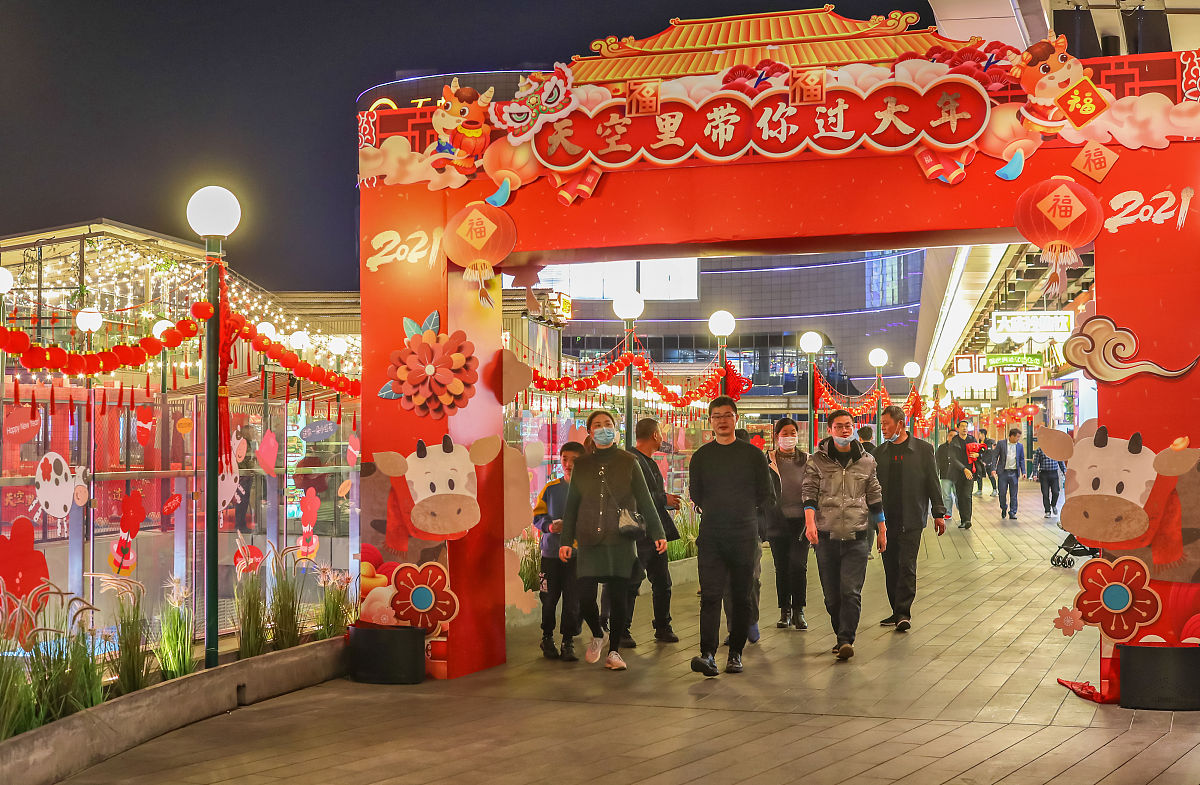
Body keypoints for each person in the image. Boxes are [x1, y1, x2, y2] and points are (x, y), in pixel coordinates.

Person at [559, 411, 667, 671]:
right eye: (597, 425)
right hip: (588, 539)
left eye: (608, 424)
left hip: (620, 540)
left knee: (619, 597)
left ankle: (615, 651)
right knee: (584, 596)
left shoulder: (629, 461)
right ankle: (599, 633)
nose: (603, 428)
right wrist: (566, 539)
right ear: (589, 432)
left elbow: (645, 500)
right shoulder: (582, 465)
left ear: (616, 428)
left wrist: (658, 533)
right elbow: (572, 505)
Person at [688, 396, 774, 677]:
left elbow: (766, 494)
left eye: (727, 415)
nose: (722, 420)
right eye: (716, 416)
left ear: (736, 418)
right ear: (710, 421)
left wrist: (746, 514)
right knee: (710, 595)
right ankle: (708, 653)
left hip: (743, 532)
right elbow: (696, 493)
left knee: (740, 595)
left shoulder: (751, 455)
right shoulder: (702, 456)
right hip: (712, 533)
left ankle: (735, 652)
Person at [803, 409, 885, 661]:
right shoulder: (816, 461)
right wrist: (810, 523)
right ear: (830, 430)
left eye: (848, 425)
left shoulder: (867, 461)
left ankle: (845, 639)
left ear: (854, 427)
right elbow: (808, 492)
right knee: (831, 595)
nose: (845, 430)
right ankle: (841, 632)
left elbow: (875, 496)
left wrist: (882, 529)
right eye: (839, 426)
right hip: (826, 535)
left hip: (858, 534)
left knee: (850, 590)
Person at [872, 406, 948, 633]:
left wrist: (938, 513)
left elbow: (932, 482)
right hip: (885, 521)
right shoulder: (879, 453)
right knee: (890, 567)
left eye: (886, 423)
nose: (883, 428)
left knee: (906, 566)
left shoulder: (923, 450)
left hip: (912, 517)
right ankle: (896, 610)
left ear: (901, 424)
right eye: (882, 424)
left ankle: (904, 612)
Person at [624, 418, 680, 643]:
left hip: (655, 531)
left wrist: (664, 500)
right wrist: (662, 498)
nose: (663, 438)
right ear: (655, 435)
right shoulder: (631, 461)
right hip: (638, 532)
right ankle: (623, 628)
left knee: (662, 582)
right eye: (661, 434)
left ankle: (663, 625)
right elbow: (636, 497)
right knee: (632, 582)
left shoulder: (648, 462)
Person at [532, 441, 586, 662]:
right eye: (565, 459)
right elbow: (537, 516)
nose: (569, 464)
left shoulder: (588, 491)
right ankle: (547, 637)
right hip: (551, 554)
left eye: (574, 460)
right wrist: (549, 526)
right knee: (549, 599)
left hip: (576, 556)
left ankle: (568, 641)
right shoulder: (550, 489)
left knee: (573, 600)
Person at [763, 417, 810, 630]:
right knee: (781, 567)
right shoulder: (767, 461)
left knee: (798, 566)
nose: (789, 437)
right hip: (776, 522)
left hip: (801, 522)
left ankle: (799, 609)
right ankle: (785, 611)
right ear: (776, 436)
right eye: (785, 433)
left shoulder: (807, 460)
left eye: (793, 433)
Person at [994, 428, 1025, 520]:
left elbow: (1022, 459)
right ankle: (1003, 507)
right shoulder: (1001, 443)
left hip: (1014, 473)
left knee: (1014, 494)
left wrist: (1023, 472)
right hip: (1003, 473)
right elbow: (995, 456)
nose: (1018, 439)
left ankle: (1012, 512)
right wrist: (993, 469)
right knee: (1002, 493)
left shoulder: (1020, 446)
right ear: (1011, 436)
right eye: (1017, 437)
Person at [950, 420, 976, 529]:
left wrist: (977, 454)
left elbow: (980, 449)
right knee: (960, 496)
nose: (964, 428)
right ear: (958, 428)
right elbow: (953, 458)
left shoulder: (972, 439)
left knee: (967, 495)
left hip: (970, 472)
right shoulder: (954, 441)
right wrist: (963, 468)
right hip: (958, 472)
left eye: (966, 426)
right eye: (962, 426)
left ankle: (968, 520)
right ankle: (963, 519)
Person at [1032, 440, 1067, 518]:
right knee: (1045, 493)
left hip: (1054, 474)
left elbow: (1061, 461)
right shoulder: (1039, 450)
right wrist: (1034, 474)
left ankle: (1053, 504)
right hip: (1043, 474)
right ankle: (1047, 511)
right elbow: (1035, 463)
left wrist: (1064, 470)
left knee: (1056, 492)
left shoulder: (1056, 450)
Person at [234, 425, 257, 533]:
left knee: (242, 501)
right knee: (242, 501)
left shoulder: (246, 442)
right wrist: (254, 467)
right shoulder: (245, 443)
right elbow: (245, 460)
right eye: (252, 432)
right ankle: (240, 525)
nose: (254, 433)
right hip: (243, 475)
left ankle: (240, 524)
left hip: (243, 474)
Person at [935, 429, 959, 522]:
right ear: (947, 436)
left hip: (957, 475)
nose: (953, 438)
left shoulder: (959, 447)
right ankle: (948, 513)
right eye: (951, 435)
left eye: (955, 436)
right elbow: (937, 461)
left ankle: (962, 512)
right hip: (945, 475)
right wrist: (936, 472)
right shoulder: (941, 448)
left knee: (958, 495)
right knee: (946, 496)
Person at [976, 428, 998, 497]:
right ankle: (979, 490)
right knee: (979, 476)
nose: (978, 435)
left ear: (983, 434)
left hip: (988, 463)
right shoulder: (980, 442)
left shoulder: (988, 442)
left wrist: (985, 462)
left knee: (991, 476)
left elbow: (989, 453)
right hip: (981, 462)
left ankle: (995, 490)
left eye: (979, 434)